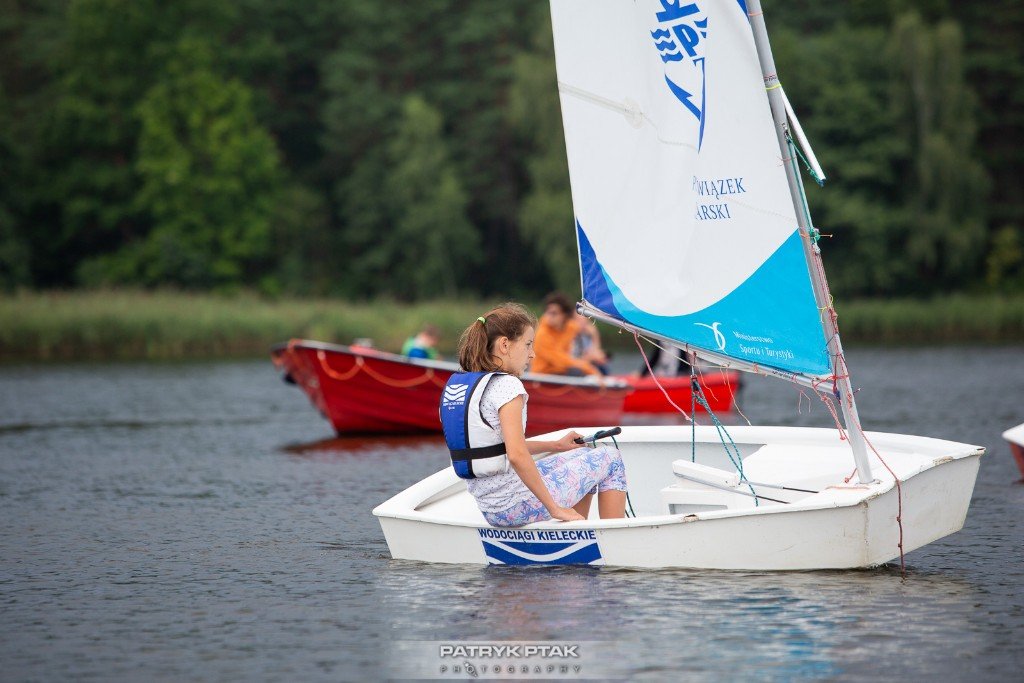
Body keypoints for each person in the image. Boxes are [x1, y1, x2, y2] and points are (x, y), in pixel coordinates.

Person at [440, 303, 628, 527]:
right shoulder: (508, 386)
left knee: (583, 455)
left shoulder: (466, 387)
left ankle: (577, 528)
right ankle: (610, 536)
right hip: (516, 505)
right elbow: (517, 455)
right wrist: (554, 509)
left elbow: (503, 447)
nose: (532, 354)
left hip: (493, 508)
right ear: (504, 345)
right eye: (528, 344)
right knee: (610, 458)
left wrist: (556, 445)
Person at [531, 292, 601, 377]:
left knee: (600, 366)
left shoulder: (570, 327)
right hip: (544, 374)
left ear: (564, 315)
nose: (548, 316)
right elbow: (559, 359)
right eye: (547, 312)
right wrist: (589, 368)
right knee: (578, 371)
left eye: (554, 313)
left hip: (562, 370)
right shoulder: (542, 334)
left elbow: (587, 328)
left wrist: (595, 346)